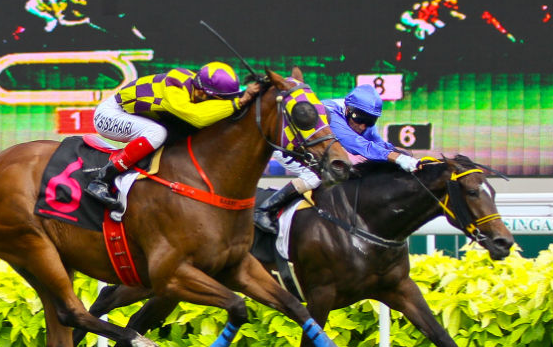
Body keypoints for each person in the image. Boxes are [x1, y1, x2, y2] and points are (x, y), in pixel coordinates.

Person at [84, 62, 262, 209]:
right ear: (203, 92)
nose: (223, 104)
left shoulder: (198, 89)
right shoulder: (175, 87)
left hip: (136, 115)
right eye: (219, 100)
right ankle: (102, 180)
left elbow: (217, 107)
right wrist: (238, 102)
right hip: (110, 115)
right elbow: (198, 117)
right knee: (157, 133)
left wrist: (248, 94)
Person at [253, 83, 419, 233]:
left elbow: (378, 144)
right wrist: (398, 159)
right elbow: (358, 145)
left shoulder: (360, 114)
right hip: (288, 145)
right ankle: (264, 209)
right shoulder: (330, 113)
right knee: (315, 176)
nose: (363, 126)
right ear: (348, 110)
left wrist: (402, 155)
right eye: (360, 119)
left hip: (312, 147)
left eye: (370, 121)